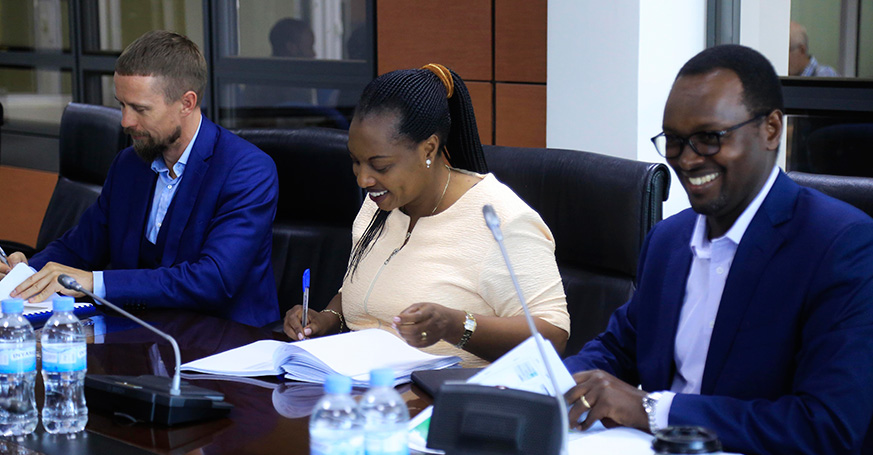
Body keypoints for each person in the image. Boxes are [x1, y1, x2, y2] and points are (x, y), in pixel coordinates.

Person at [562, 44, 873, 455]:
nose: (688, 160)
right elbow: (618, 347)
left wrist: (655, 412)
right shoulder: (668, 240)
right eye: (674, 141)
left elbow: (827, 427)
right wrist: (549, 384)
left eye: (710, 138)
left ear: (771, 130)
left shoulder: (841, 246)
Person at [283, 63, 570, 365]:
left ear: (429, 149)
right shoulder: (379, 203)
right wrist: (326, 319)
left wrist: (456, 325)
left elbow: (553, 338)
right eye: (356, 161)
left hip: (445, 402)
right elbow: (364, 290)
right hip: (362, 390)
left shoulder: (500, 220)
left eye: (380, 166)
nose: (363, 179)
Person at [0, 30, 280, 328]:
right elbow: (79, 247)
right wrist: (26, 274)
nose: (125, 121)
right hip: (137, 337)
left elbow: (213, 280)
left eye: (140, 109)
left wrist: (94, 282)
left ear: (186, 103)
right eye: (122, 104)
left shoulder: (247, 170)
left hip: (225, 347)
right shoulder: (129, 164)